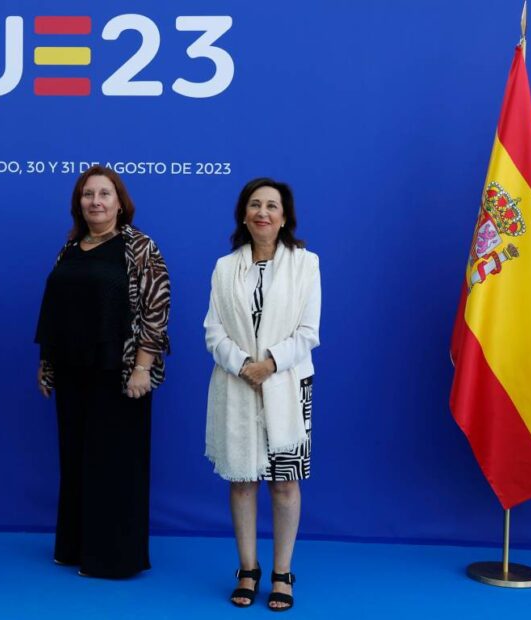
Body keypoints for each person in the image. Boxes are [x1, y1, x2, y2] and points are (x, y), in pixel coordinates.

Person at [35, 165, 170, 579]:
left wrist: (142, 367)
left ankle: (112, 558)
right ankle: (75, 547)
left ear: (119, 201)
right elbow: (54, 312)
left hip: (121, 372)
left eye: (104, 194)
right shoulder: (70, 248)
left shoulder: (139, 247)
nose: (95, 201)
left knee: (113, 465)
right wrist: (47, 366)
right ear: (79, 203)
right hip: (72, 372)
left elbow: (156, 309)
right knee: (76, 459)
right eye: (88, 194)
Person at [204, 178, 320, 611]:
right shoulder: (224, 267)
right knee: (242, 482)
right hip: (236, 385)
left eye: (272, 205)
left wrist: (269, 363)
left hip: (286, 385)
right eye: (255, 204)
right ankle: (248, 569)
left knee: (285, 483)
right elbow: (212, 330)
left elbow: (309, 333)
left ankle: (282, 572)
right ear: (244, 215)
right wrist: (241, 365)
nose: (263, 212)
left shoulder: (306, 264)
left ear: (284, 216)